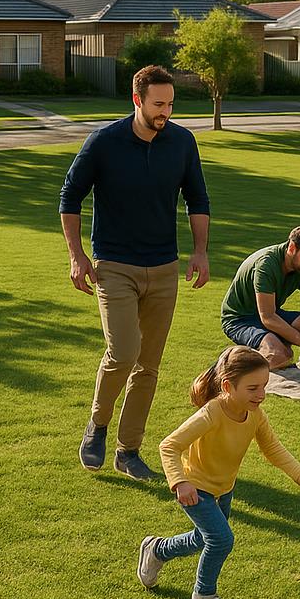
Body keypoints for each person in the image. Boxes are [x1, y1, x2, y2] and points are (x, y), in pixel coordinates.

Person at [61, 64, 211, 481]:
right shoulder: (104, 142)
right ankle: (98, 424)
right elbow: (70, 196)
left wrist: (200, 252)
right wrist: (77, 256)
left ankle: (128, 450)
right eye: (158, 104)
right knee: (123, 353)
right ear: (137, 101)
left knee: (148, 365)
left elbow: (197, 199)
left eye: (170, 104)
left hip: (164, 268)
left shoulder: (181, 142)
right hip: (115, 266)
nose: (165, 112)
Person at [138, 346, 300, 599]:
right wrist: (180, 482)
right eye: (252, 388)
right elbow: (169, 446)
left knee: (204, 539)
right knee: (222, 540)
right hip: (196, 488)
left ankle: (157, 550)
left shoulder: (256, 415)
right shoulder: (211, 413)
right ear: (228, 386)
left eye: (264, 386)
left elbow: (272, 448)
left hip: (223, 489)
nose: (261, 394)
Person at [220, 225, 300, 369]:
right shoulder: (266, 265)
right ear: (292, 248)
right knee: (279, 356)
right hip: (240, 319)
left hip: (271, 312)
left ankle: (270, 344)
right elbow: (267, 317)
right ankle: (232, 363)